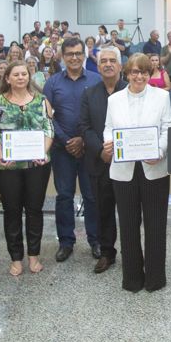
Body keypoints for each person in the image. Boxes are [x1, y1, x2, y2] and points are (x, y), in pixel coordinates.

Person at [102, 53, 171, 292]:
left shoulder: (162, 97)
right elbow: (108, 128)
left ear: (149, 73)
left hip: (154, 168)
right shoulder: (115, 100)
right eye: (134, 72)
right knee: (129, 226)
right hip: (123, 172)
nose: (139, 76)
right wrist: (109, 143)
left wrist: (160, 152)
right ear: (127, 73)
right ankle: (132, 278)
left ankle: (155, 278)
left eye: (143, 71)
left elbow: (168, 128)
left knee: (155, 226)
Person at [0, 60, 55, 277]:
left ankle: (34, 256)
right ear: (7, 78)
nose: (20, 77)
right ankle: (16, 258)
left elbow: (49, 129)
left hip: (37, 165)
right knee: (12, 211)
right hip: (7, 166)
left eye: (24, 74)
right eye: (15, 74)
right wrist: (0, 155)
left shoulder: (42, 100)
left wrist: (43, 152)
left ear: (29, 77)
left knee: (35, 210)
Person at [42, 37, 102, 263]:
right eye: (70, 54)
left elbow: (101, 116)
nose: (74, 58)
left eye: (78, 53)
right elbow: (47, 116)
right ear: (62, 57)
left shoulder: (96, 80)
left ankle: (95, 240)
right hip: (61, 149)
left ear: (84, 55)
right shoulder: (53, 83)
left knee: (92, 196)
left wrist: (84, 141)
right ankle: (66, 242)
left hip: (90, 149)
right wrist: (67, 140)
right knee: (64, 196)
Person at [78, 45, 126, 274]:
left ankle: (131, 251)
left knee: (129, 211)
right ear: (97, 67)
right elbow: (85, 128)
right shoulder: (89, 93)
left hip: (128, 162)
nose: (107, 64)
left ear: (120, 65)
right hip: (100, 162)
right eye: (103, 61)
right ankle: (107, 253)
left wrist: (117, 150)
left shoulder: (131, 90)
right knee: (103, 210)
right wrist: (101, 151)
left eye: (112, 60)